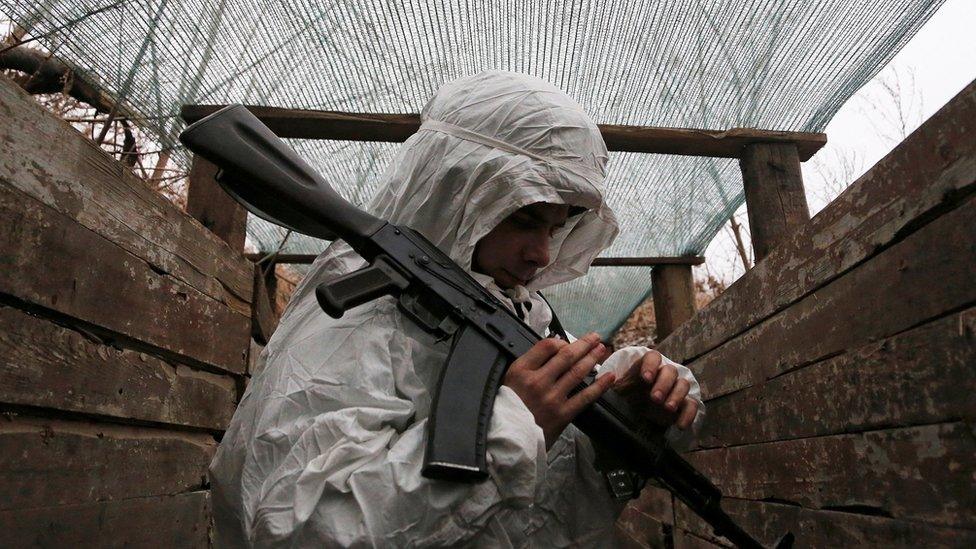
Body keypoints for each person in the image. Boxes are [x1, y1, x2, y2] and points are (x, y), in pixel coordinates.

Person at [210, 71, 704, 547]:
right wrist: (512, 430)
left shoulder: (524, 316)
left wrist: (622, 406)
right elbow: (295, 529)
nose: (542, 254)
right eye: (523, 218)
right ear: (457, 191)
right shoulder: (357, 318)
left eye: (555, 228)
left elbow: (543, 513)